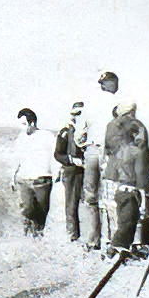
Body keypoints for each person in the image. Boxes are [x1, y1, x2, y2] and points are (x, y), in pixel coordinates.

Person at [102, 100, 149, 258]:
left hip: (112, 173)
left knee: (112, 210)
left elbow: (106, 150)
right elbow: (142, 150)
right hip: (130, 176)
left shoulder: (111, 126)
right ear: (133, 111)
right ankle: (133, 244)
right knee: (134, 211)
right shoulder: (137, 126)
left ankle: (110, 242)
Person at [79, 70, 121, 249]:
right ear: (114, 86)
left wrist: (85, 144)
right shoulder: (118, 104)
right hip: (111, 154)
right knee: (111, 198)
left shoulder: (89, 104)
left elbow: (80, 133)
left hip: (92, 151)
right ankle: (111, 241)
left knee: (91, 198)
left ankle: (92, 240)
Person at [12, 108, 56, 237]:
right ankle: (26, 239)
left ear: (32, 123)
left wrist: (56, 173)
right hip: (23, 179)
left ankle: (38, 240)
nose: (22, 128)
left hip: (42, 179)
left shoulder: (47, 136)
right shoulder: (20, 138)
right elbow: (16, 159)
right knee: (26, 212)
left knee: (41, 214)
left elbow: (55, 157)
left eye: (24, 124)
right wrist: (12, 177)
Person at [53, 100, 86, 242]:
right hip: (72, 172)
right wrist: (72, 160)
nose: (76, 117)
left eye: (79, 114)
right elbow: (58, 154)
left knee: (91, 204)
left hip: (89, 170)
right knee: (72, 205)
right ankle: (73, 235)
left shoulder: (90, 131)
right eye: (74, 114)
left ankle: (91, 236)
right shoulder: (65, 132)